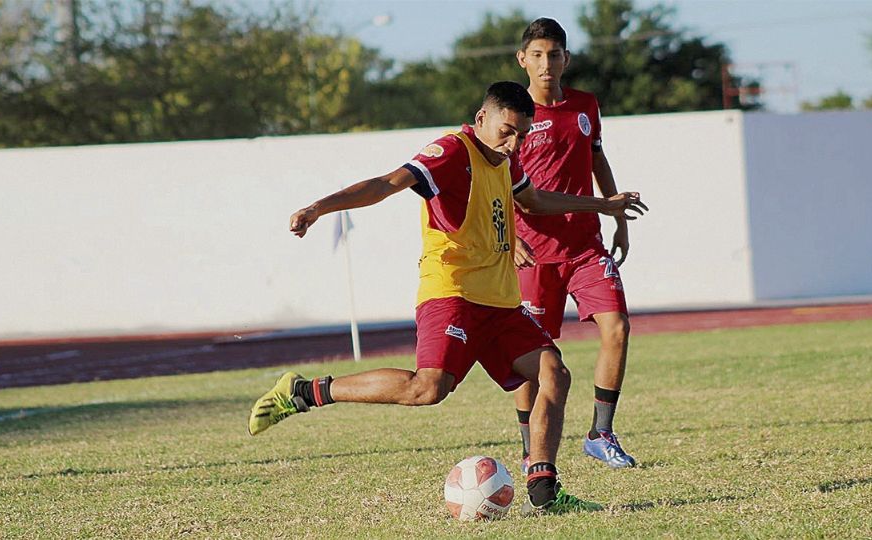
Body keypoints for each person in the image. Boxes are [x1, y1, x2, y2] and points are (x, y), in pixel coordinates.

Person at [247, 81, 645, 514]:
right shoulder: (453, 152)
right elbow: (385, 183)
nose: (514, 144)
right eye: (507, 131)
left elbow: (532, 201)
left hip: (499, 303)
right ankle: (304, 391)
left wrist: (602, 206)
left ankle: (545, 491)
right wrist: (318, 208)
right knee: (428, 388)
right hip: (451, 293)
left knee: (554, 372)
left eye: (522, 136)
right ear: (481, 119)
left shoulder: (505, 162)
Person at [511, 18, 648, 472]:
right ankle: (531, 447)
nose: (546, 63)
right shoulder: (511, 114)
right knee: (535, 356)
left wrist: (616, 216)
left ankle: (600, 433)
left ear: (566, 58)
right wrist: (508, 238)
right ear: (522, 60)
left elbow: (596, 156)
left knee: (618, 329)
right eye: (537, 55)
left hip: (586, 247)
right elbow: (490, 183)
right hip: (534, 254)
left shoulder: (586, 104)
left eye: (554, 54)